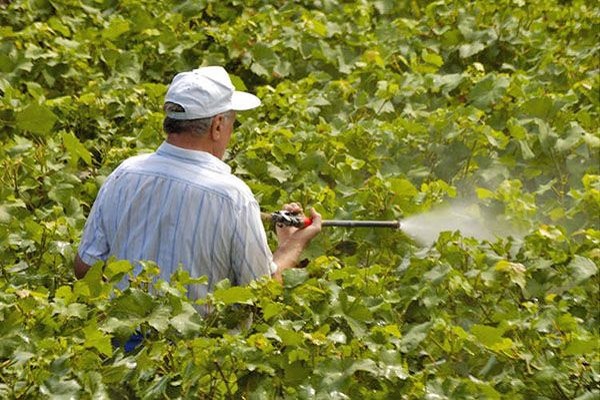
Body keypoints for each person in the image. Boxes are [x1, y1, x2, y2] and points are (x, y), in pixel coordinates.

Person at [74, 66, 322, 303]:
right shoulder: (233, 197)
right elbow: (261, 294)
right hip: (198, 346)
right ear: (217, 126)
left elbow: (85, 267)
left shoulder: (124, 175)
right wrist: (292, 245)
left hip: (119, 343)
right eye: (231, 123)